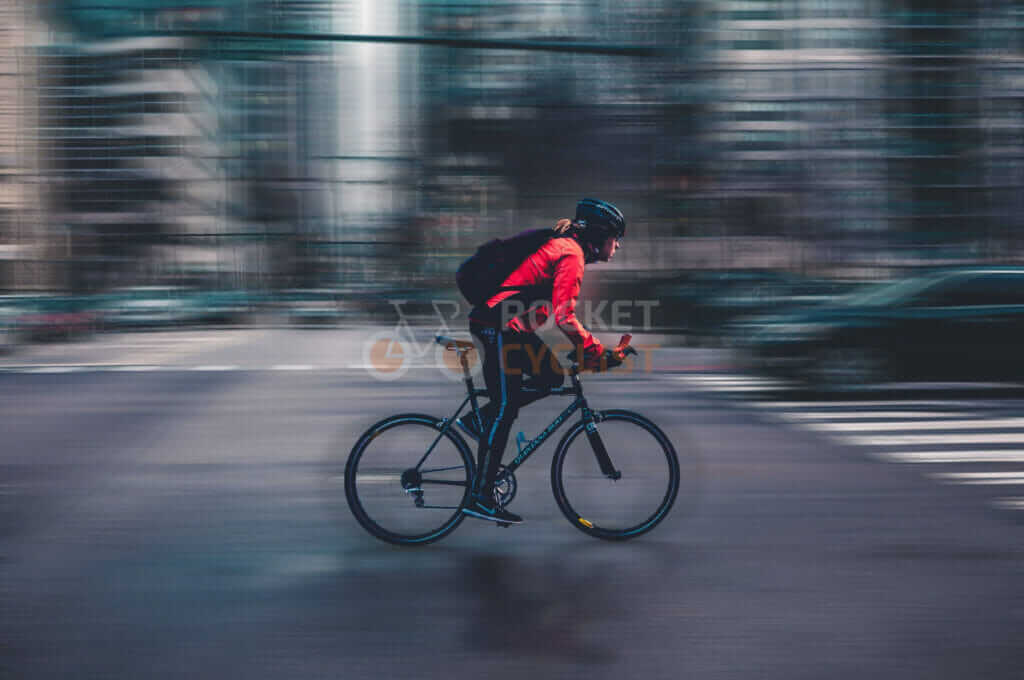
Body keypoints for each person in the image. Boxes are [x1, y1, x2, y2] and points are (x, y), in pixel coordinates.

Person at [459, 198, 626, 524]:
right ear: (599, 234)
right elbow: (565, 316)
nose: (617, 245)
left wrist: (588, 354)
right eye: (616, 238)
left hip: (505, 326)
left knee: (550, 377)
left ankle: (481, 421)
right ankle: (481, 494)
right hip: (494, 325)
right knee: (506, 408)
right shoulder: (571, 254)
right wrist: (594, 351)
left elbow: (537, 311)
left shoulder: (566, 249)